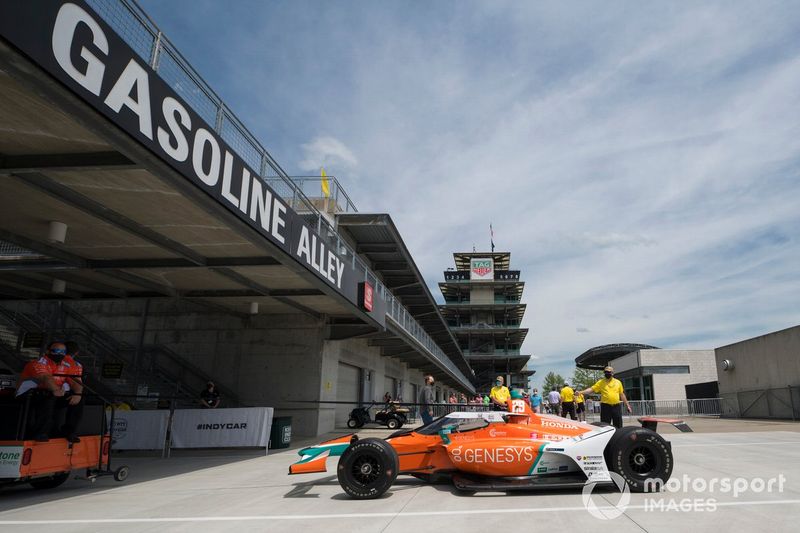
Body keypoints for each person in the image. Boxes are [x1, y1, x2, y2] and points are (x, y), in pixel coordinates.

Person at [16, 341, 85, 442]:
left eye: (63, 351)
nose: (59, 354)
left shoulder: (66, 365)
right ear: (47, 351)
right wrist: (56, 390)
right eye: (56, 351)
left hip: (50, 393)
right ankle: (41, 433)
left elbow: (76, 381)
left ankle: (69, 431)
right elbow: (46, 377)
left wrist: (78, 394)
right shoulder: (38, 362)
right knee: (48, 395)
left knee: (80, 398)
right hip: (26, 395)